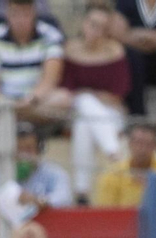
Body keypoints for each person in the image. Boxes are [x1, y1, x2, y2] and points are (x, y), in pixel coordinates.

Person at [61, 2, 132, 201]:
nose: (96, 31)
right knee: (83, 105)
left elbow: (118, 94)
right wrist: (88, 96)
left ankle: (82, 191)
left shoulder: (115, 51)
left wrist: (87, 95)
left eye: (102, 27)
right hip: (75, 112)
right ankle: (114, 153)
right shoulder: (70, 50)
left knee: (84, 119)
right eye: (93, 24)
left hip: (111, 113)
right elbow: (66, 91)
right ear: (84, 24)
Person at [0, 0, 70, 124]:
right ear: (7, 14)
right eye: (16, 14)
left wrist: (29, 100)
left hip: (36, 100)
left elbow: (49, 80)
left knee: (63, 99)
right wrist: (6, 103)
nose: (21, 20)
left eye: (26, 14)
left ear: (34, 13)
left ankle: (17, 118)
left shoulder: (51, 35)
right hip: (4, 101)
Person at [0, 121, 74, 209]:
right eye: (18, 150)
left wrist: (40, 201)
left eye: (28, 149)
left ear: (39, 151)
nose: (23, 156)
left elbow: (65, 199)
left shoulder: (54, 173)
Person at [92, 120, 156, 207]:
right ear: (129, 144)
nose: (142, 149)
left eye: (148, 144)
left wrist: (154, 187)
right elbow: (105, 213)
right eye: (138, 143)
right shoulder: (112, 175)